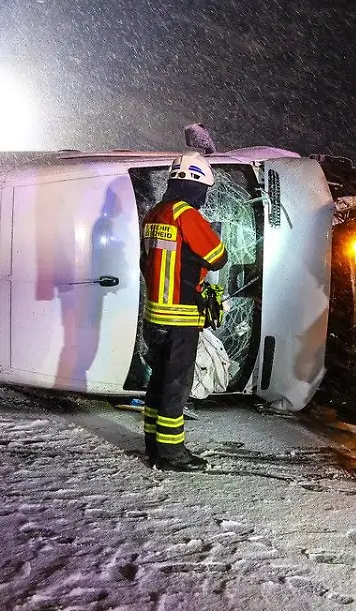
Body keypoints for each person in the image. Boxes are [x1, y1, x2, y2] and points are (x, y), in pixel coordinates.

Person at [140, 151, 228, 471]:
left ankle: (153, 444)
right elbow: (218, 256)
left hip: (154, 316)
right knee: (176, 385)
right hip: (181, 316)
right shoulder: (186, 215)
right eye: (203, 189)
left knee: (159, 381)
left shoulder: (154, 214)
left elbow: (145, 261)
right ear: (195, 186)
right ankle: (171, 452)